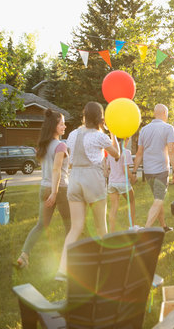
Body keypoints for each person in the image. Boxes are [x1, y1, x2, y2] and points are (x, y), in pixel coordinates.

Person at [56, 102, 120, 280]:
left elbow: (70, 158)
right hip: (92, 179)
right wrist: (112, 132)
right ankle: (108, 267)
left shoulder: (73, 134)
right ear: (99, 117)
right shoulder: (100, 136)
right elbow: (116, 155)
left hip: (74, 179)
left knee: (76, 228)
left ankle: (62, 269)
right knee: (101, 227)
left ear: (84, 116)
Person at [16, 109, 70, 269]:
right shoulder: (61, 146)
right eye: (61, 124)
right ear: (54, 126)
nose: (64, 126)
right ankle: (67, 261)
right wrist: (54, 193)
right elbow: (56, 170)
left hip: (43, 188)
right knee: (70, 225)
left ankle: (23, 256)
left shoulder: (44, 146)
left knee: (41, 225)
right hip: (59, 189)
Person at [132, 104, 174, 230]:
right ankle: (146, 230)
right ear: (164, 113)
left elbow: (139, 153)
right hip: (161, 170)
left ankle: (163, 226)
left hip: (148, 171)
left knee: (158, 198)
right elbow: (172, 151)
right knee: (159, 200)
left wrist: (135, 171)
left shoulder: (144, 130)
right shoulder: (168, 128)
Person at [105, 137, 135, 232]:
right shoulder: (126, 152)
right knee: (132, 202)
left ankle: (112, 232)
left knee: (114, 207)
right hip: (123, 183)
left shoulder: (110, 153)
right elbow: (125, 169)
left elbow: (107, 169)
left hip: (112, 183)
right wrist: (133, 177)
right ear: (124, 140)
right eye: (127, 140)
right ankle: (132, 226)